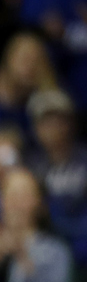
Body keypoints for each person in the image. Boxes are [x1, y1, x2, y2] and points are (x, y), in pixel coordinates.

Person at [27, 87, 87, 268]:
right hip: (46, 239)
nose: (51, 127)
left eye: (58, 120)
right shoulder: (30, 165)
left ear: (70, 123)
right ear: (36, 128)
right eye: (44, 121)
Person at [0, 31, 58, 135]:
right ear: (9, 59)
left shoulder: (49, 96)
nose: (30, 67)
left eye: (37, 61)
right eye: (25, 59)